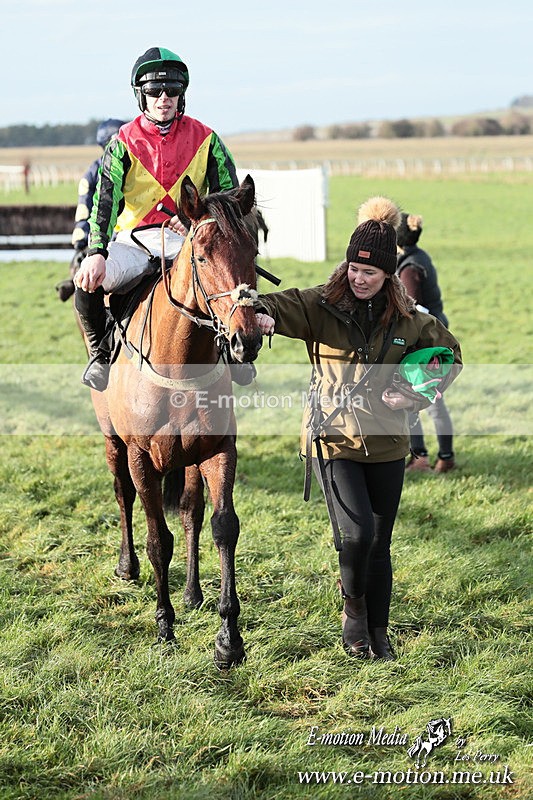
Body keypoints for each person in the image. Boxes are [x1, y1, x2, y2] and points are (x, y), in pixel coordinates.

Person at [254, 197, 462, 661]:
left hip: (388, 442)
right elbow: (270, 305)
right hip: (332, 439)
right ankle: (354, 616)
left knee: (380, 544)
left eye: (370, 272)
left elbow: (450, 356)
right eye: (354, 268)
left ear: (388, 274)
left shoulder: (411, 319)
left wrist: (415, 395)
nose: (359, 278)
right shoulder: (320, 305)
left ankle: (379, 632)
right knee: (358, 535)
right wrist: (260, 316)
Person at [73, 46, 240, 391]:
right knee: (86, 280)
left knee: (233, 272)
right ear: (141, 95)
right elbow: (104, 203)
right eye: (154, 91)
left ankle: (234, 351)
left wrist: (193, 219)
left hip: (187, 244)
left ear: (182, 94)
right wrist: (96, 253)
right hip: (133, 244)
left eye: (172, 90)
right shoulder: (121, 143)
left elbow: (230, 199)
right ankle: (101, 354)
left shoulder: (208, 139)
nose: (164, 98)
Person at [396, 212, 456, 473]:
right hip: (433, 338)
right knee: (432, 401)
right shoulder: (418, 257)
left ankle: (420, 458)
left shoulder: (409, 269)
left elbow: (413, 312)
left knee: (417, 401)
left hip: (423, 345)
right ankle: (445, 457)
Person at [56, 118, 126, 302]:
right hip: (105, 232)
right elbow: (84, 208)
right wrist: (81, 240)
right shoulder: (93, 172)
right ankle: (79, 286)